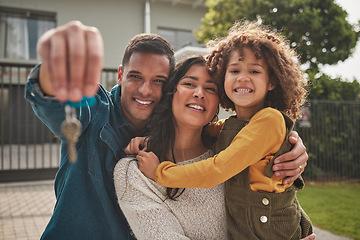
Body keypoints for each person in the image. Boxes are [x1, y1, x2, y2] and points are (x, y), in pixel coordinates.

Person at [25, 20, 309, 239]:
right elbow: (60, 103)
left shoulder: (222, 146)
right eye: (136, 77)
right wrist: (56, 69)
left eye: (209, 88)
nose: (146, 89)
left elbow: (266, 197)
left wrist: (289, 147)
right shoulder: (105, 121)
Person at [137, 22, 313, 239]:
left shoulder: (269, 119)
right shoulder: (233, 124)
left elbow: (216, 170)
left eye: (255, 71)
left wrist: (160, 172)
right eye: (234, 70)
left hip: (273, 230)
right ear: (223, 79)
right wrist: (148, 139)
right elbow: (201, 131)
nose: (242, 77)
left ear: (272, 81)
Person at [114, 56, 227, 239]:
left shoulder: (230, 155)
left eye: (210, 88)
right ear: (170, 93)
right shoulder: (134, 173)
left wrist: (290, 142)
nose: (199, 93)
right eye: (189, 84)